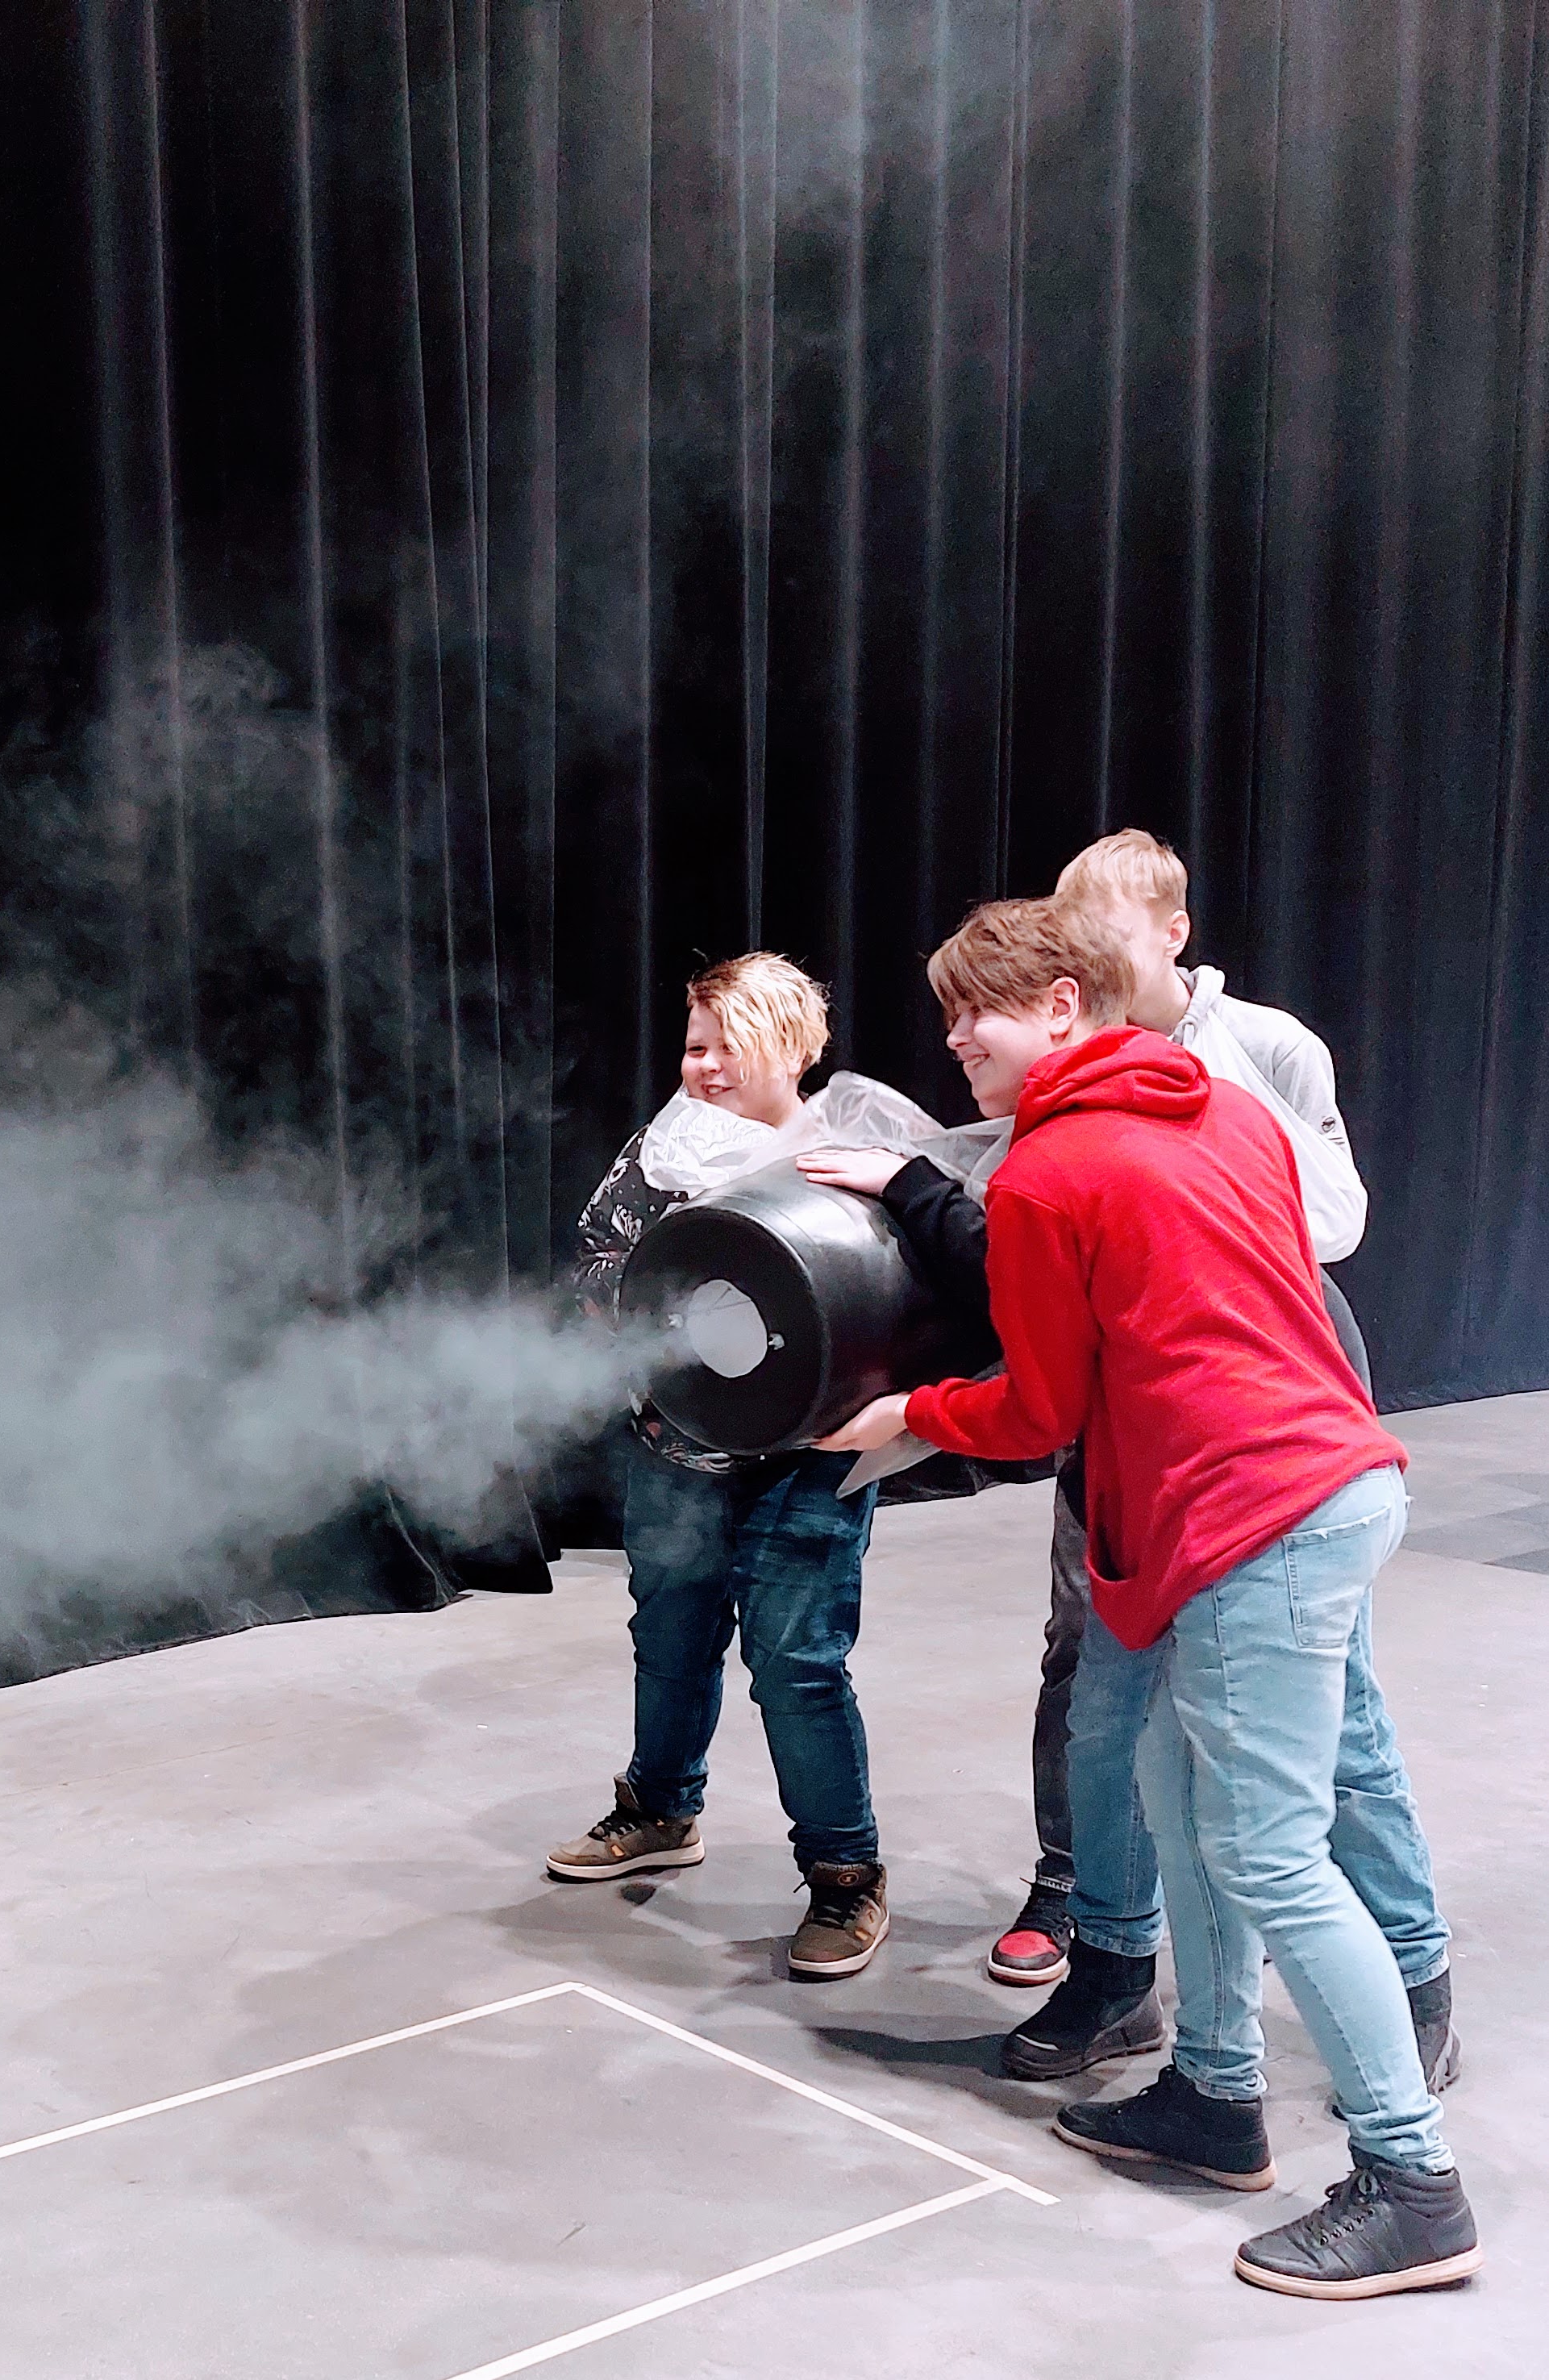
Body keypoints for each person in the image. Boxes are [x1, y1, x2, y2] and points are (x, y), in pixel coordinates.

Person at [822, 899, 1479, 2299]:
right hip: (1299, 1490)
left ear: (1063, 1004)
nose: (953, 1038)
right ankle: (1213, 2094)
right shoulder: (1226, 1113)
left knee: (1272, 1855)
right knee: (1183, 1808)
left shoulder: (1048, 1174)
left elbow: (1039, 1407)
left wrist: (905, 1416)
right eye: (945, 1013)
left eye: (976, 1009)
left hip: (1254, 1518)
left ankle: (1411, 2180)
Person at [550, 954, 889, 1981]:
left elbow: (896, 1300)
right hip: (678, 1445)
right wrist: (660, 1272)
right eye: (694, 1045)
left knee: (795, 1663)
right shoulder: (661, 1149)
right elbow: (594, 1260)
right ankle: (659, 1808)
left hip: (810, 1459)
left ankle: (844, 1873)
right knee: (670, 1636)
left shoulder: (845, 1153)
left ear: (789, 1045)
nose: (702, 1066)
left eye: (726, 1046)